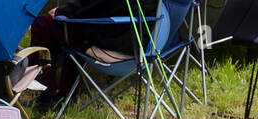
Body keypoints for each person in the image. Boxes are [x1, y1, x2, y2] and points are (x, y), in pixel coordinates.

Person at [31, 0, 163, 103]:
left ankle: (47, 94)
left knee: (43, 23)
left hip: (119, 48)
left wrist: (63, 12)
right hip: (145, 48)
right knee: (73, 25)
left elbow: (96, 5)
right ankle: (67, 92)